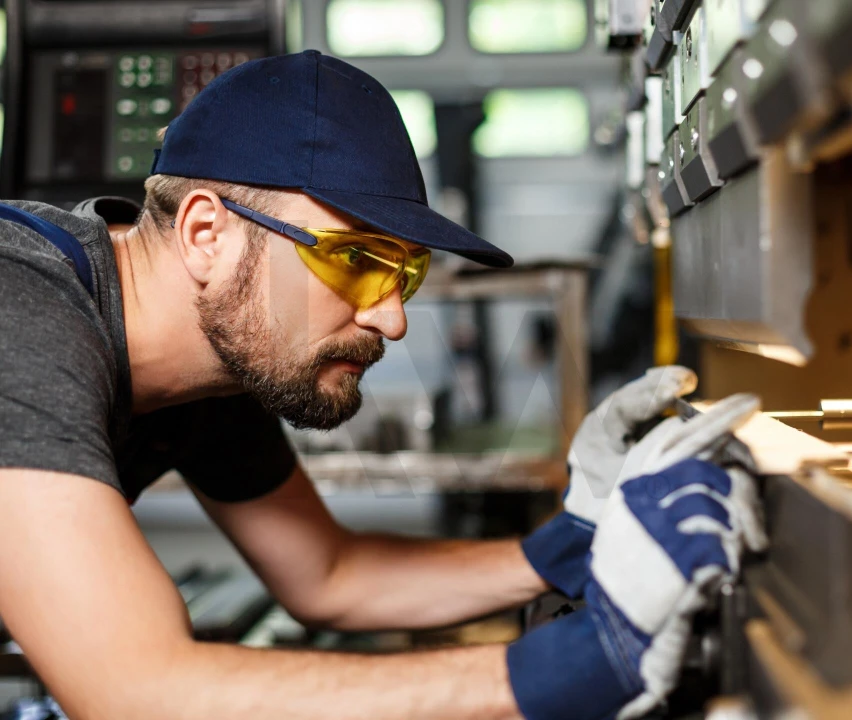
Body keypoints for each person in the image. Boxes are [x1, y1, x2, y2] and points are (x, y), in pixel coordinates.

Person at [0, 50, 763, 719]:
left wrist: (573, 542)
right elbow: (140, 692)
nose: (392, 320)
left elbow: (328, 576)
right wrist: (582, 662)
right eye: (356, 260)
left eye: (405, 273)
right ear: (206, 234)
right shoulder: (21, 311)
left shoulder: (211, 372)